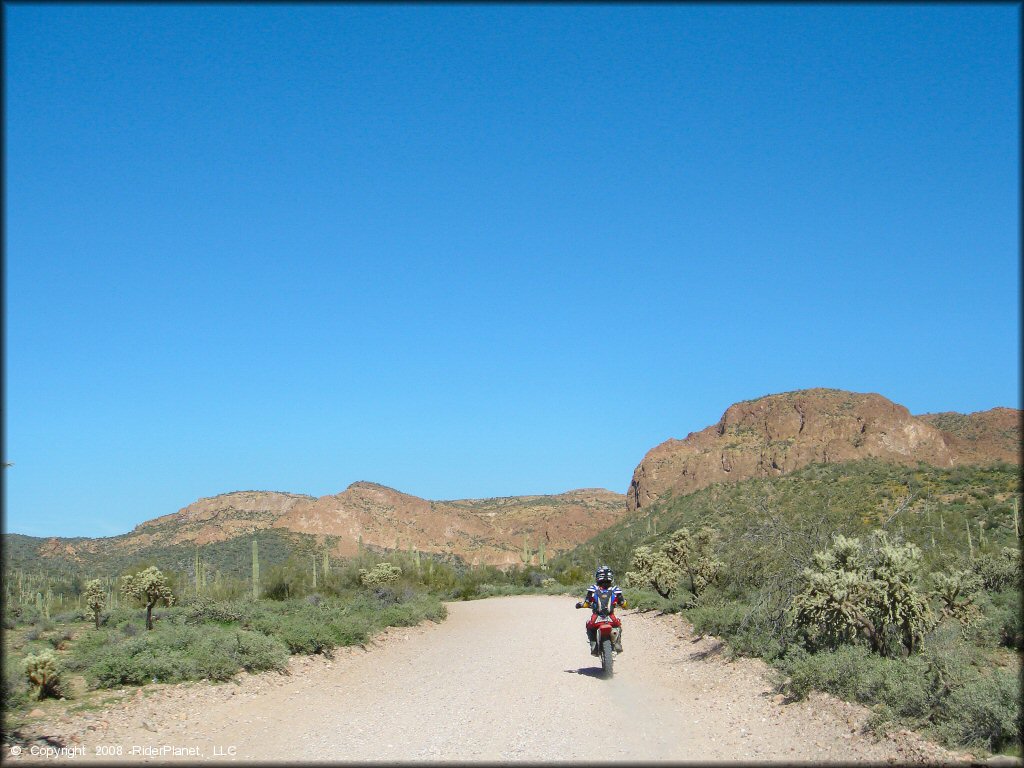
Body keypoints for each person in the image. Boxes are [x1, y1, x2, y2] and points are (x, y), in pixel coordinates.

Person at [575, 565, 626, 654]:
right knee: (618, 625)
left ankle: (593, 645)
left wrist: (580, 605)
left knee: (589, 625)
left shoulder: (593, 589)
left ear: (598, 577)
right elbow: (623, 604)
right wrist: (623, 604)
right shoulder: (616, 590)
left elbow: (587, 603)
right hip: (611, 617)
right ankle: (617, 643)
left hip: (596, 618)